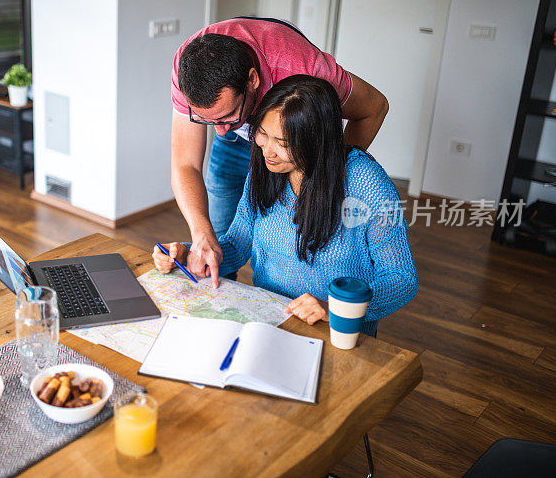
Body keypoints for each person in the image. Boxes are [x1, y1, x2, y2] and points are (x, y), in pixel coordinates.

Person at [156, 75, 416, 334]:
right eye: (263, 134)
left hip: (337, 330)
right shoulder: (268, 169)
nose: (267, 151)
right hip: (272, 320)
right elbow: (237, 244)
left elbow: (401, 279)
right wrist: (191, 255)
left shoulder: (366, 182)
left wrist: (334, 308)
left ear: (317, 141)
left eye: (283, 143)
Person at [171, 17, 389, 287]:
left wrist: (326, 173)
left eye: (228, 117)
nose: (221, 133)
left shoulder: (306, 71)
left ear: (253, 80)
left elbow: (374, 107)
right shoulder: (190, 68)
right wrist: (199, 237)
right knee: (216, 238)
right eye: (208, 121)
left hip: (305, 151)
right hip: (267, 142)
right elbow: (185, 164)